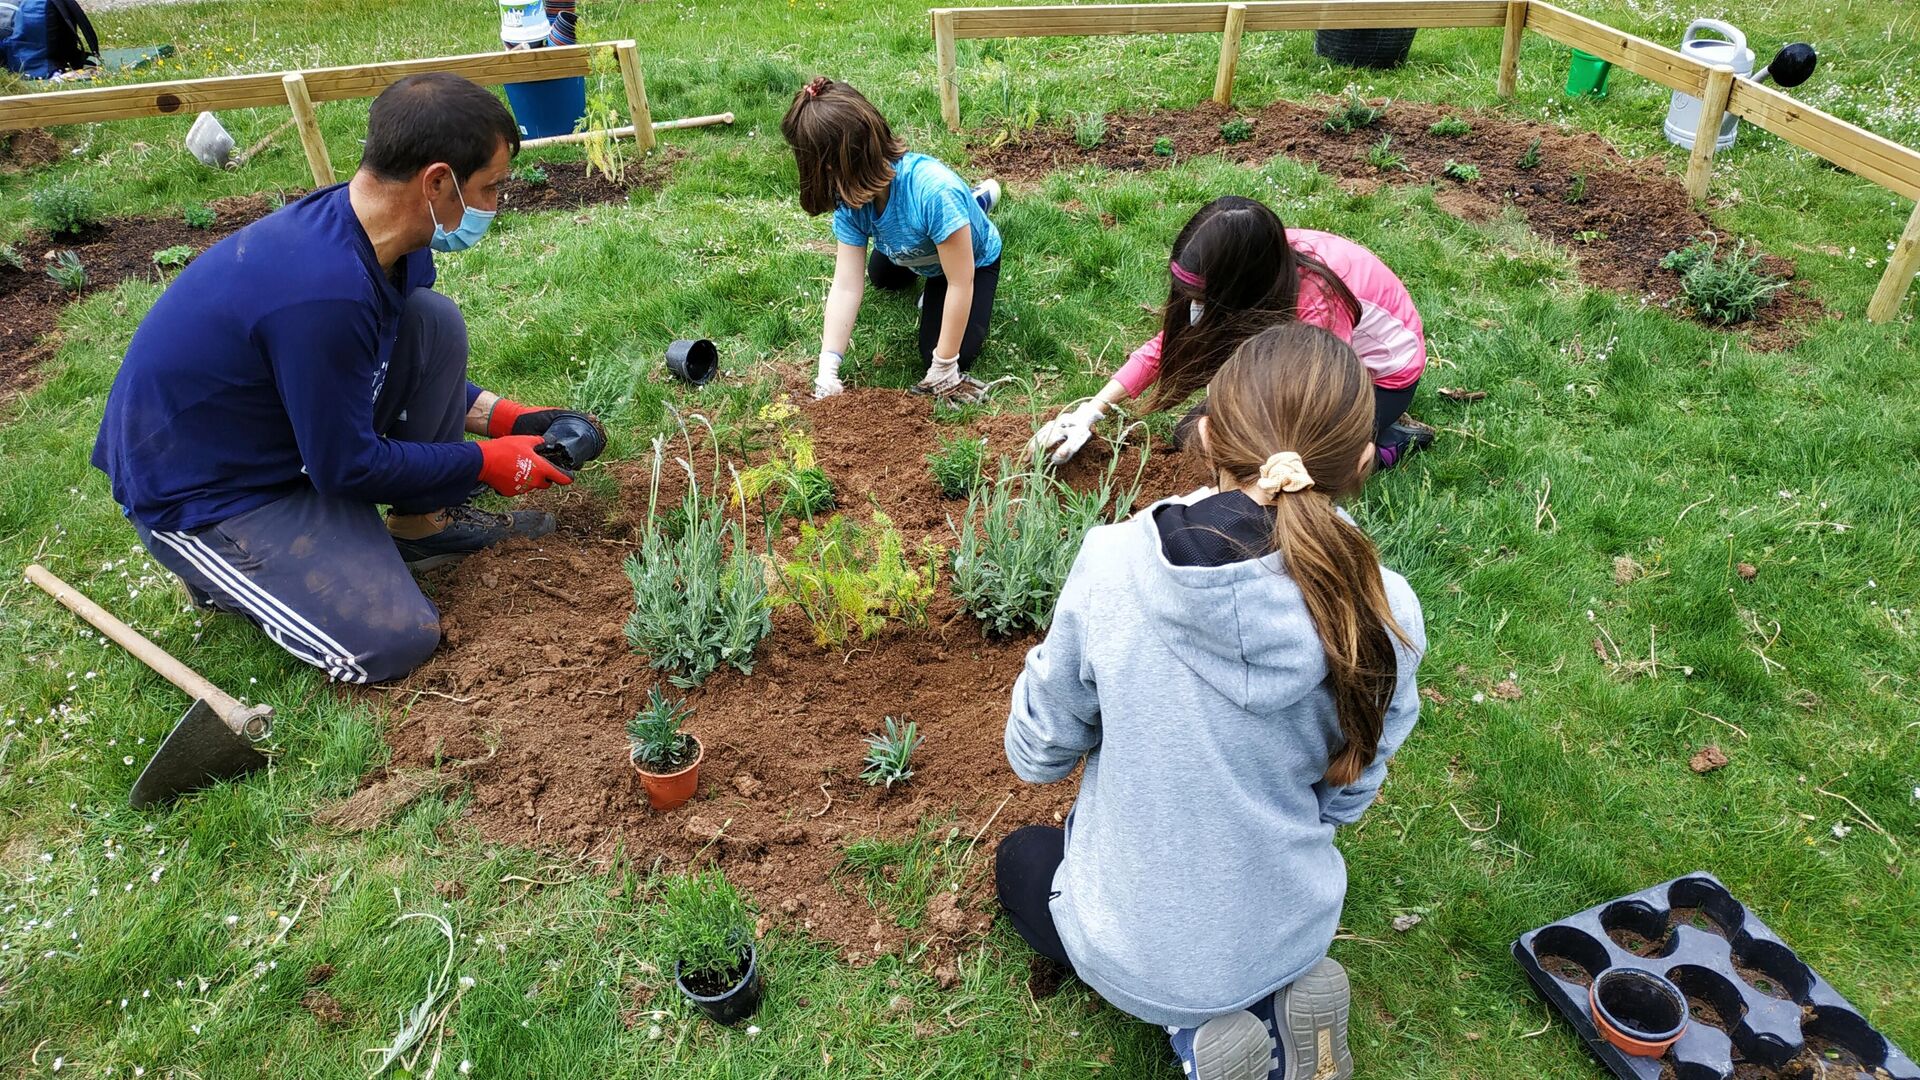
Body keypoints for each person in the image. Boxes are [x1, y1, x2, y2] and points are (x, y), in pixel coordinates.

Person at [998, 324, 1426, 1080]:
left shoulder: (1115, 565)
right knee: (1242, 903)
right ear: (1364, 462)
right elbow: (1348, 794)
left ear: (1208, 437)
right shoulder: (1386, 608)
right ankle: (1276, 995)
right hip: (1292, 922)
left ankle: (1199, 1037)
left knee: (1023, 860)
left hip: (1139, 950)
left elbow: (1036, 755)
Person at [91, 73, 584, 685]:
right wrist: (482, 462)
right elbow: (346, 467)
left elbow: (366, 368)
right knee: (393, 639)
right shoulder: (322, 295)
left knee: (431, 321)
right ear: (437, 181)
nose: (495, 204)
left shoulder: (386, 237)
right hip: (204, 491)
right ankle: (226, 573)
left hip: (286, 436)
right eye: (490, 187)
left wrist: (505, 418)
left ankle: (417, 527)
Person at [1030, 195, 1433, 470]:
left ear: (1239, 285)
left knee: (1287, 462)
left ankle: (1384, 446)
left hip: (1373, 380)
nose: (1195, 305)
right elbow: (1167, 348)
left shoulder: (1318, 303)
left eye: (1204, 296)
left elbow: (1322, 396)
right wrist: (1090, 411)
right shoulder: (1255, 263)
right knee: (1192, 435)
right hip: (1299, 357)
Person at [780, 76, 1005, 404]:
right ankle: (968, 205)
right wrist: (828, 367)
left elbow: (961, 282)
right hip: (908, 245)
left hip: (969, 260)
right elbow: (846, 286)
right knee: (881, 276)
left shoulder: (933, 192)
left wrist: (944, 365)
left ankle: (972, 208)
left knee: (939, 351)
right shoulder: (850, 196)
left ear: (846, 161)